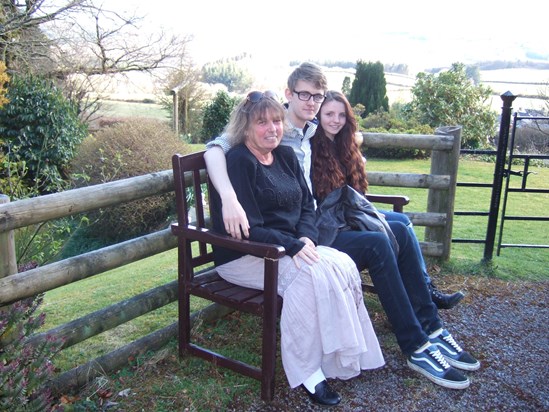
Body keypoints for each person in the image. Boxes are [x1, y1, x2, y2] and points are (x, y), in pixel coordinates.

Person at [205, 63, 480, 390]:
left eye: (317, 97)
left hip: (314, 220)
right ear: (288, 94)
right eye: (304, 95)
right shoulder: (255, 142)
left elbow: (313, 186)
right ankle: (415, 344)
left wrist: (353, 143)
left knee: (402, 226)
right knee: (376, 245)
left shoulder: (308, 131)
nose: (310, 103)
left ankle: (431, 326)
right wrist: (228, 196)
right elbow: (216, 148)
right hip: (291, 235)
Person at [210, 91, 385, 406]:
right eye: (261, 123)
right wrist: (292, 245)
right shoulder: (239, 161)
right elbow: (247, 229)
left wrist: (305, 238)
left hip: (286, 246)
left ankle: (340, 355)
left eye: (276, 120)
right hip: (244, 254)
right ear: (245, 128)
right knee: (306, 279)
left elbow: (307, 206)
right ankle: (308, 373)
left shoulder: (287, 157)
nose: (272, 128)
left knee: (341, 264)